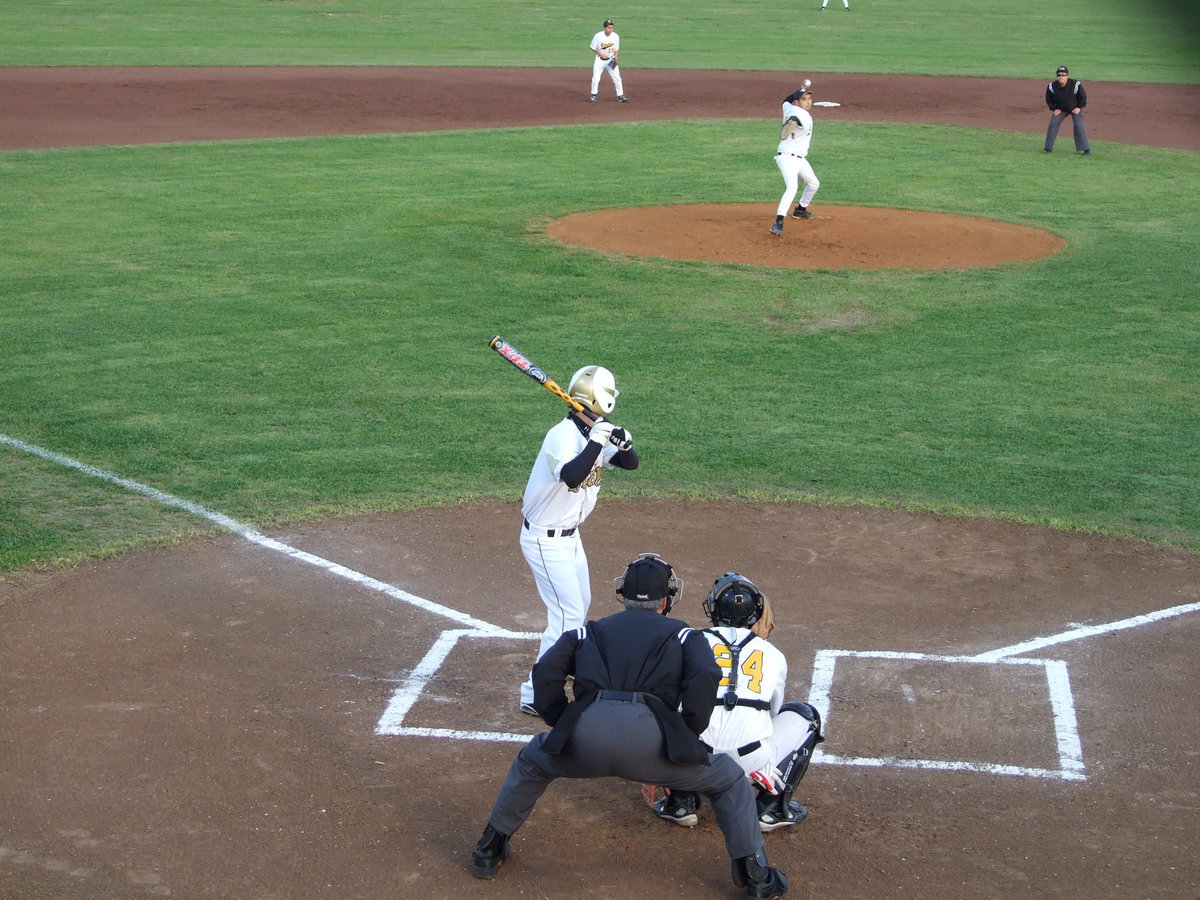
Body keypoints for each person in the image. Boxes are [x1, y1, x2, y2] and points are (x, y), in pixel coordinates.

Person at [472, 554, 790, 899]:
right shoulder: (684, 636)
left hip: (585, 739)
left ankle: (489, 848)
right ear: (666, 600)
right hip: (651, 748)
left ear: (622, 596)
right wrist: (686, 733)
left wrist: (564, 723)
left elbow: (545, 674)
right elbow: (706, 677)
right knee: (727, 778)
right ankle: (756, 876)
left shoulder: (587, 631)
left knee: (532, 761)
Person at [651, 573, 825, 833]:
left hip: (693, 759)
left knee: (664, 710)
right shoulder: (773, 655)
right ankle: (770, 807)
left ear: (714, 609)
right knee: (806, 715)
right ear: (755, 613)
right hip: (751, 760)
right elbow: (773, 711)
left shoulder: (689, 640)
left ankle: (680, 802)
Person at [517, 365, 638, 715]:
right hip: (545, 539)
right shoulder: (562, 436)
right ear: (601, 399)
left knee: (578, 605)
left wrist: (624, 443)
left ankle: (546, 679)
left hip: (570, 537)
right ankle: (534, 693)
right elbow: (572, 476)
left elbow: (631, 464)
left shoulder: (594, 431)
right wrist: (597, 440)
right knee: (567, 617)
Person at [770, 84, 821, 237]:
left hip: (799, 159)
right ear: (797, 102)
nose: (808, 102)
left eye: (809, 99)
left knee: (814, 184)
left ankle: (800, 209)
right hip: (787, 158)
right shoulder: (800, 114)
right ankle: (778, 222)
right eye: (804, 99)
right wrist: (789, 125)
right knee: (792, 187)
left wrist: (798, 92)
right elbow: (794, 119)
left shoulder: (789, 107)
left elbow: (785, 101)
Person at [1044, 65, 1091, 155]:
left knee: (1078, 125)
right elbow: (1049, 99)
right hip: (1061, 109)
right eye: (1059, 75)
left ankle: (1086, 149)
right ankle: (1047, 148)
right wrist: (1054, 108)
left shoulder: (1076, 84)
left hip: (1075, 108)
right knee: (1053, 124)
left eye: (1063, 75)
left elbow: (1083, 97)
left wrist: (1078, 107)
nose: (1061, 77)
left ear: (1067, 76)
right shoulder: (1051, 86)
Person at [589, 19, 629, 103]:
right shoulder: (598, 36)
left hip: (611, 60)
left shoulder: (615, 36)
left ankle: (620, 96)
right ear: (604, 28)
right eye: (608, 28)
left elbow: (617, 48)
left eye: (611, 28)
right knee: (595, 79)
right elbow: (593, 47)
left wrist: (616, 56)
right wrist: (601, 54)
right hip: (600, 61)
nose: (610, 29)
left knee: (617, 78)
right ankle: (593, 95)